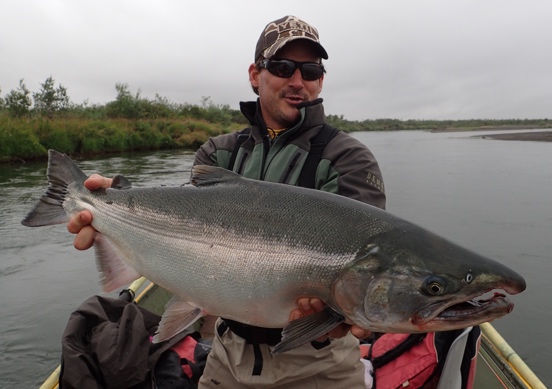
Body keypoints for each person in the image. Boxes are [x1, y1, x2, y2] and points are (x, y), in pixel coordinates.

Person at [69, 15, 484, 389]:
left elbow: (368, 270)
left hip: (319, 367)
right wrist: (111, 202)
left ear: (321, 79)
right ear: (255, 74)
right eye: (283, 68)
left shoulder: (348, 159)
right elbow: (187, 228)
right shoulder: (218, 153)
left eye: (311, 70)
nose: (297, 81)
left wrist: (344, 321)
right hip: (225, 354)